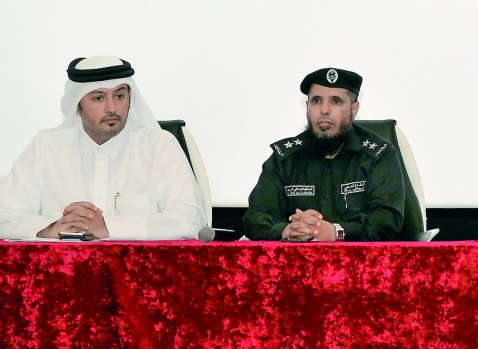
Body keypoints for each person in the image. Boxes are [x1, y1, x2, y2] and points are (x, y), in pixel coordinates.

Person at [0, 56, 205, 241]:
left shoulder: (159, 146)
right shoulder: (46, 147)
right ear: (77, 106)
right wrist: (50, 228)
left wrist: (109, 228)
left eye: (119, 96)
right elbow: (4, 214)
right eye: (98, 98)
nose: (112, 108)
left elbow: (189, 221)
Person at [243, 67, 410, 242]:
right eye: (316, 100)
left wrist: (335, 232)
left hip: (362, 265)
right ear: (307, 107)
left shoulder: (379, 155)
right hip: (296, 265)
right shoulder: (285, 158)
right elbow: (255, 217)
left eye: (336, 101)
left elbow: (387, 220)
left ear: (354, 109)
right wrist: (288, 230)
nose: (324, 110)